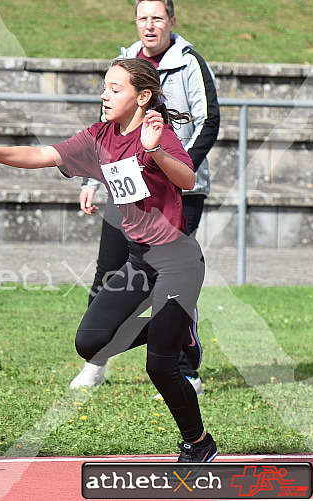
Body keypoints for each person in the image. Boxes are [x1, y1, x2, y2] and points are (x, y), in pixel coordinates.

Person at [0, 58, 217, 462]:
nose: (105, 94)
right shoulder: (99, 137)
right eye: (105, 86)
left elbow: (187, 178)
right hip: (138, 261)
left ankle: (198, 443)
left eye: (116, 89)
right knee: (90, 342)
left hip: (178, 262)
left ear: (142, 97)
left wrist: (156, 152)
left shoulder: (156, 133)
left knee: (159, 367)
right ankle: (178, 332)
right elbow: (41, 154)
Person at [71, 0, 220, 394]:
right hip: (125, 188)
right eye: (143, 18)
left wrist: (170, 165)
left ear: (172, 21)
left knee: (174, 281)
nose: (150, 25)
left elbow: (209, 122)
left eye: (158, 18)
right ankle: (96, 359)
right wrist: (91, 182)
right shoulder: (124, 62)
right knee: (108, 273)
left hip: (175, 185)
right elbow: (107, 134)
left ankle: (186, 365)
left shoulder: (189, 63)